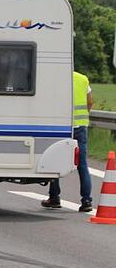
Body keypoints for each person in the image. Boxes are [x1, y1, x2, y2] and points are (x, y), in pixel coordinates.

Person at [43, 70, 93, 212]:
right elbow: (90, 101)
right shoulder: (83, 79)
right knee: (82, 164)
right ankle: (87, 201)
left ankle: (54, 197)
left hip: (61, 127)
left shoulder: (57, 77)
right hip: (80, 127)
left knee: (56, 161)